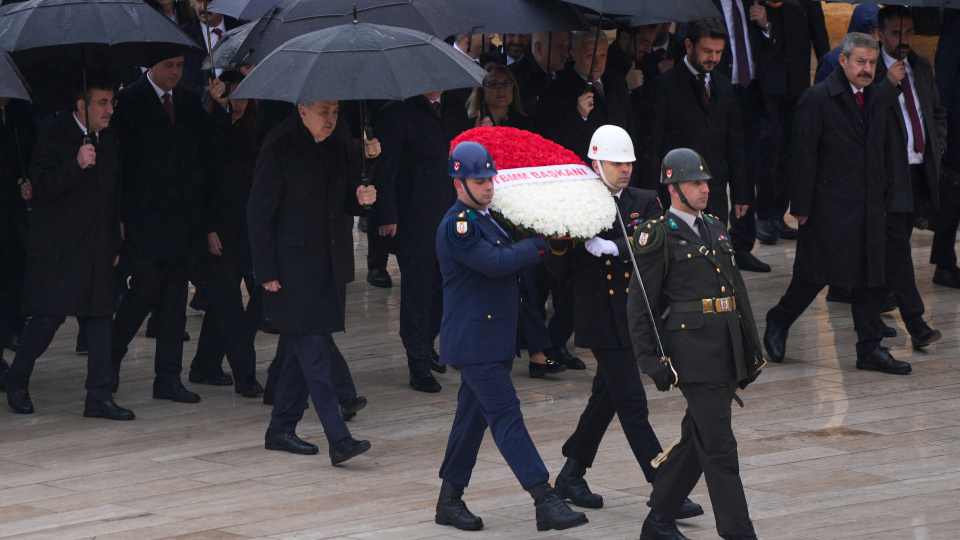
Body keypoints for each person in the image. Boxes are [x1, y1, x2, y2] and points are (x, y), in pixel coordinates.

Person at [434, 141, 587, 533]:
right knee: (506, 415)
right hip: (475, 342)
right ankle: (544, 498)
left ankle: (449, 500)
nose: (488, 185)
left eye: (490, 177)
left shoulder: (491, 218)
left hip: (492, 338)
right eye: (478, 180)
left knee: (471, 419)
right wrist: (538, 245)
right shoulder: (459, 225)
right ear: (458, 182)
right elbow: (494, 263)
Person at [552, 126, 702, 522]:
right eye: (616, 163)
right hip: (600, 317)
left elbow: (655, 238)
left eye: (629, 162)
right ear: (595, 162)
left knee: (607, 399)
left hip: (634, 316)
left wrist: (615, 246)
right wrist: (562, 235)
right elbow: (559, 260)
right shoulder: (579, 200)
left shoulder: (643, 199)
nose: (625, 169)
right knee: (632, 403)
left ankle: (571, 473)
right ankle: (665, 486)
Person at [628, 148, 763, 540]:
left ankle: (658, 521)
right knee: (720, 448)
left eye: (705, 181)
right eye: (695, 183)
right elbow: (641, 306)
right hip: (691, 354)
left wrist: (751, 350)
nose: (705, 189)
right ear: (673, 188)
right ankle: (739, 533)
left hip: (725, 350)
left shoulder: (716, 227)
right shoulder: (658, 234)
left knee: (697, 439)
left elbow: (737, 294)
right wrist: (651, 360)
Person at [763, 33, 908, 375]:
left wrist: (886, 195)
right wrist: (800, 205)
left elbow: (886, 150)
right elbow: (802, 156)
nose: (867, 69)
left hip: (869, 204)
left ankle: (869, 347)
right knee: (814, 276)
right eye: (860, 61)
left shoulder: (878, 98)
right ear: (843, 61)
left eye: (872, 63)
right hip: (827, 206)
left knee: (870, 276)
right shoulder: (817, 99)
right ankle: (779, 320)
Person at [247, 99, 376, 464]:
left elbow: (349, 198)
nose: (331, 119)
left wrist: (364, 194)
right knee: (315, 352)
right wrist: (266, 271)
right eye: (323, 112)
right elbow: (259, 213)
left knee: (299, 354)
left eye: (335, 111)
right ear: (302, 110)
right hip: (291, 269)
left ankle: (280, 428)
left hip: (328, 264)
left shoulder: (337, 144)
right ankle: (339, 438)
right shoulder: (279, 145)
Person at [1, 82, 135, 421]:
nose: (110, 109)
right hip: (60, 247)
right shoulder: (54, 136)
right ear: (81, 105)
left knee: (101, 318)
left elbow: (112, 194)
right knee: (48, 318)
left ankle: (99, 396)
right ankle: (17, 379)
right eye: (102, 103)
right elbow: (39, 186)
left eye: (112, 102)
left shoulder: (111, 139)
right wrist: (75, 164)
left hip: (98, 244)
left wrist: (114, 239)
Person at [110, 56, 207, 402]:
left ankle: (168, 378)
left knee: (174, 301)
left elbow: (200, 156)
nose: (176, 72)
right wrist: (118, 213)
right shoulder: (129, 101)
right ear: (151, 66)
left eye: (181, 65)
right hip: (142, 218)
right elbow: (116, 162)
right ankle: (108, 361)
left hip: (180, 219)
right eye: (169, 65)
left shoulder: (189, 100)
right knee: (144, 291)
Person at [370, 91, 471, 393]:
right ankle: (417, 363)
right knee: (417, 293)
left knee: (445, 290)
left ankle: (427, 346)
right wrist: (387, 212)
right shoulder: (396, 111)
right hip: (415, 217)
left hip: (452, 213)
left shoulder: (454, 107)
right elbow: (385, 168)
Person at [639, 20, 756, 268]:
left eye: (719, 52)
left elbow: (735, 144)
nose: (713, 58)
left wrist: (741, 192)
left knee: (715, 263)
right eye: (707, 51)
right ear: (689, 46)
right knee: (678, 265)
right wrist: (652, 199)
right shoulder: (664, 87)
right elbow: (651, 148)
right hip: (674, 197)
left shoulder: (723, 87)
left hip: (713, 195)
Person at [873, 6, 946, 349]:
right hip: (890, 175)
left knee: (893, 246)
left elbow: (935, 111)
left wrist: (937, 145)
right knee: (898, 250)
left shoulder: (922, 65)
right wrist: (890, 84)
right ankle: (916, 323)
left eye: (909, 32)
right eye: (895, 33)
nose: (904, 40)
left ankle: (873, 305)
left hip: (920, 168)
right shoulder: (871, 70)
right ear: (880, 35)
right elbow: (868, 117)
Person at [186, 80, 264, 397]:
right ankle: (246, 376)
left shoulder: (253, 133)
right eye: (232, 95)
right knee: (229, 306)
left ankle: (204, 365)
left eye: (244, 94)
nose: (239, 101)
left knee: (225, 303)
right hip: (214, 234)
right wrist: (207, 229)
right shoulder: (209, 130)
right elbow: (198, 184)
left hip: (244, 233)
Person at [755, 0, 829, 245]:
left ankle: (778, 214)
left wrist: (827, 80)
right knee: (768, 147)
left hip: (797, 84)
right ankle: (763, 215)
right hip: (764, 84)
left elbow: (820, 38)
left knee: (791, 151)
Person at [538, 29, 634, 166]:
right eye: (590, 56)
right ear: (574, 55)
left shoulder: (617, 82)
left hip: (617, 170)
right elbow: (551, 142)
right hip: (580, 171)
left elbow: (629, 128)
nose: (597, 63)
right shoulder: (556, 89)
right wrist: (578, 116)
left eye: (602, 55)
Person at [0, 96, 35, 374]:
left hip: (14, 216)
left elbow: (34, 151)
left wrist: (30, 179)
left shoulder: (20, 110)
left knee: (10, 284)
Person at [929, 10, 960, 288]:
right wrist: (942, 130)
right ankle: (945, 263)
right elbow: (946, 76)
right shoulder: (956, 21)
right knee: (953, 192)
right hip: (957, 124)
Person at [180, 0, 240, 92]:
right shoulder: (184, 35)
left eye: (209, 1)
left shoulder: (239, 28)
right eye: (199, 1)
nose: (203, 7)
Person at [814, 5, 880, 85]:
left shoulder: (883, 57)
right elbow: (820, 94)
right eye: (871, 32)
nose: (876, 38)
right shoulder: (830, 61)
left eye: (879, 32)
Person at [509, 31, 570, 116]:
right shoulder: (513, 76)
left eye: (567, 47)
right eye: (559, 47)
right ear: (539, 48)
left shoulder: (568, 72)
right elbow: (511, 114)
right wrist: (538, 100)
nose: (566, 54)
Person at [466, 63, 535, 131]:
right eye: (494, 84)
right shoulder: (470, 124)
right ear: (482, 91)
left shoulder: (524, 125)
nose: (502, 89)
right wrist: (477, 134)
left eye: (506, 83)